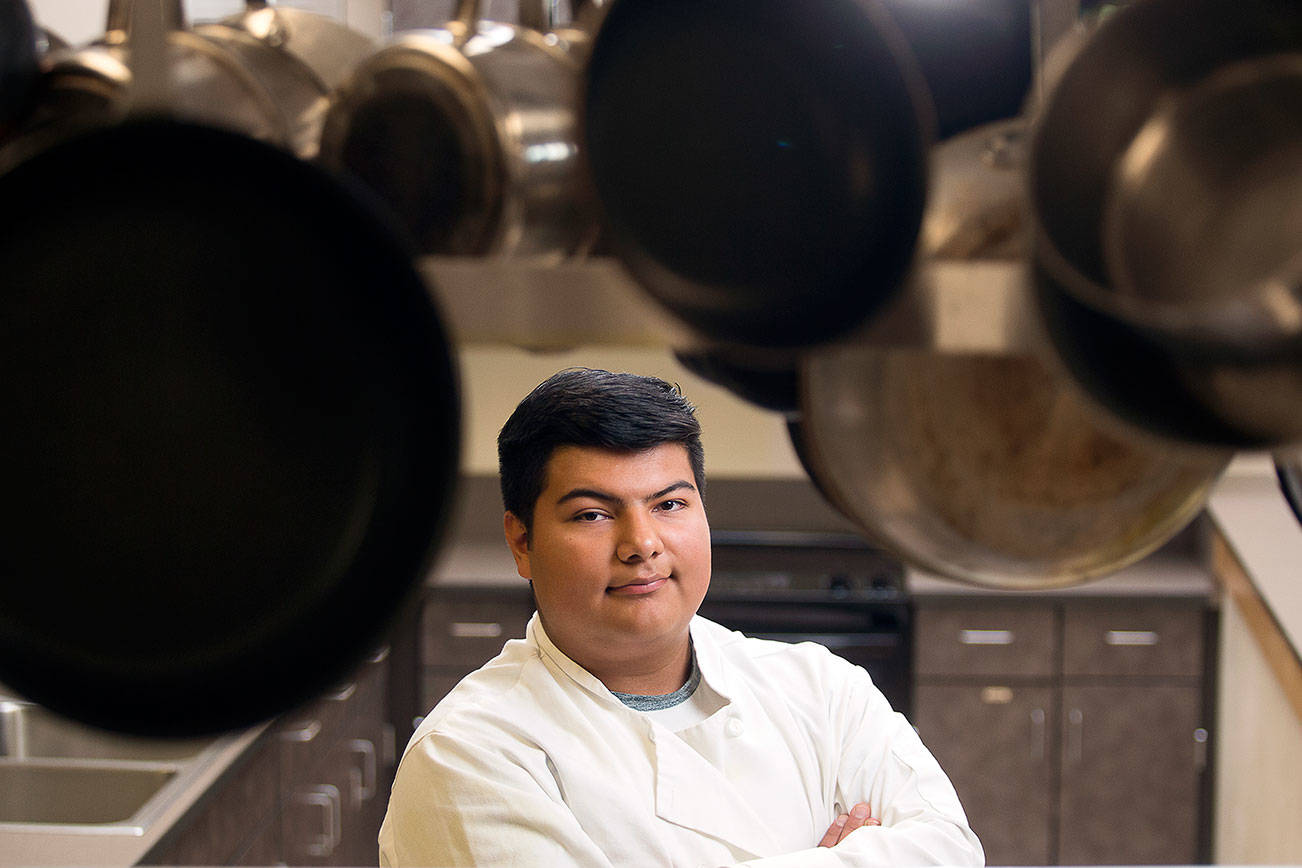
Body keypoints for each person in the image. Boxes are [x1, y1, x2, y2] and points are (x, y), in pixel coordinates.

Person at [379, 367, 983, 867]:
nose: (642, 543)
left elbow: (951, 853)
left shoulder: (822, 690)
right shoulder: (469, 755)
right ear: (521, 542)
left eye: (669, 503)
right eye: (593, 514)